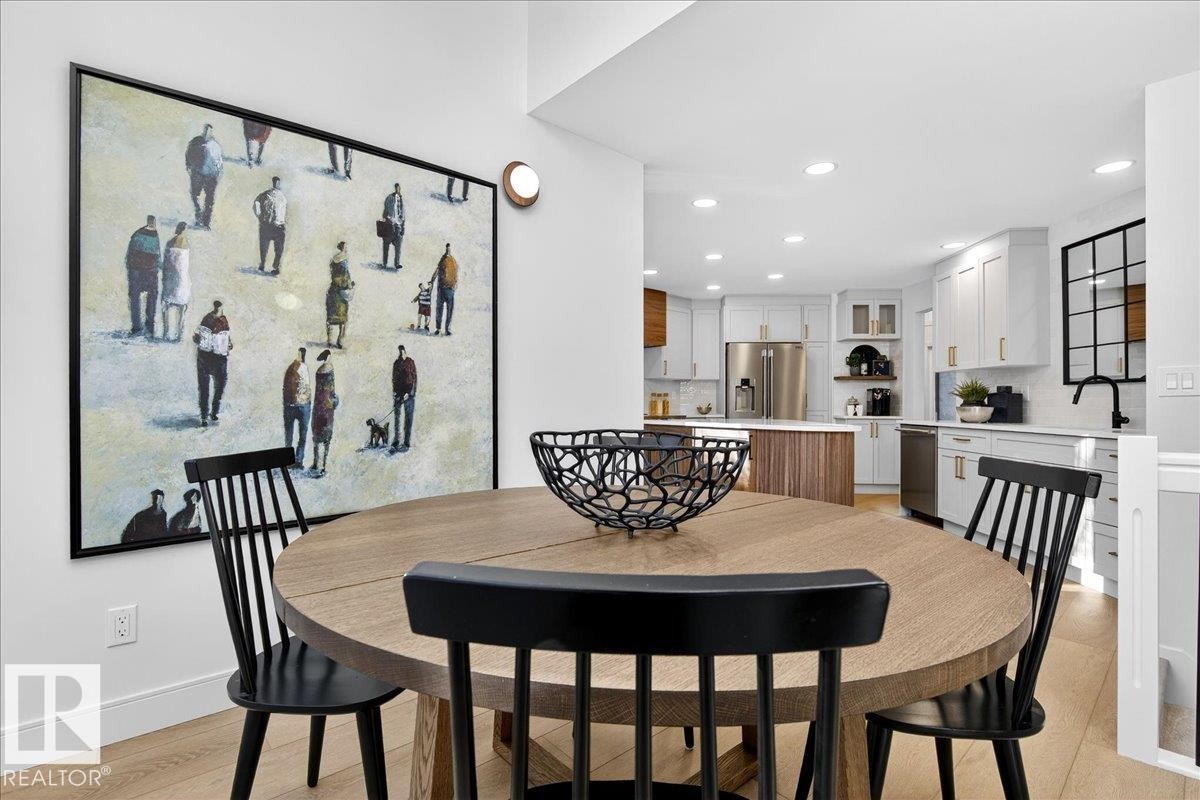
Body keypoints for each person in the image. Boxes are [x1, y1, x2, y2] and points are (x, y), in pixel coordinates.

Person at [194, 300, 232, 427]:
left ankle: (214, 411)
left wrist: (229, 345)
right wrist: (198, 339)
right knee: (204, 388)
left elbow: (227, 337)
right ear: (214, 308)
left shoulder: (224, 320)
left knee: (220, 386)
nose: (218, 311)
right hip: (205, 357)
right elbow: (198, 335)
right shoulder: (206, 319)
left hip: (220, 358)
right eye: (217, 309)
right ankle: (204, 415)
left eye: (220, 309)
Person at [125, 215, 161, 338]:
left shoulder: (136, 234)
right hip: (150, 272)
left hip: (135, 271)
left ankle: (136, 327)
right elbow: (157, 257)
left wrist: (130, 268)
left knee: (135, 298)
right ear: (153, 223)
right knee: (152, 297)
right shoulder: (155, 236)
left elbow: (129, 256)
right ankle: (150, 327)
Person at [184, 123, 223, 228]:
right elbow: (188, 154)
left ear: (211, 133)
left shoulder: (216, 146)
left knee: (209, 199)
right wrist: (188, 165)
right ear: (203, 131)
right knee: (194, 194)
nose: (206, 133)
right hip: (198, 173)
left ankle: (206, 222)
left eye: (208, 131)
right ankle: (198, 212)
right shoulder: (195, 142)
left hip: (211, 175)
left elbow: (219, 161)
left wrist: (218, 173)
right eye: (205, 130)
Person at [160, 222, 191, 341]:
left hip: (170, 279)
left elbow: (166, 263)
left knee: (166, 306)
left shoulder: (169, 243)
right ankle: (180, 334)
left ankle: (166, 333)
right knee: (182, 308)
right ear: (184, 230)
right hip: (182, 281)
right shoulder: (186, 243)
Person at [282, 347, 312, 469]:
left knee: (289, 434)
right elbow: (307, 387)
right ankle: (298, 461)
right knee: (302, 435)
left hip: (289, 405)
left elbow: (285, 388)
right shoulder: (304, 368)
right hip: (303, 405)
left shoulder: (290, 368)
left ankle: (287, 460)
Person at [309, 350, 338, 475]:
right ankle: (323, 466)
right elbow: (330, 392)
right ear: (329, 357)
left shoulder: (319, 370)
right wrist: (336, 401)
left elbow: (321, 391)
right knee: (326, 438)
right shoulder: (330, 369)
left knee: (316, 437)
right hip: (327, 409)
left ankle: (316, 463)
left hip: (317, 408)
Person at [253, 176, 287, 273]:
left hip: (275, 225)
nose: (277, 184)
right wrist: (260, 216)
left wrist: (260, 216)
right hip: (271, 225)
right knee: (267, 247)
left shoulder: (280, 196)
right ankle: (265, 264)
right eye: (276, 183)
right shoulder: (267, 194)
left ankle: (273, 267)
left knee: (276, 248)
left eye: (278, 183)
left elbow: (256, 203)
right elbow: (256, 203)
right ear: (274, 183)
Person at [325, 242, 355, 348]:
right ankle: (339, 341)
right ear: (343, 248)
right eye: (346, 247)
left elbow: (334, 276)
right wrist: (350, 285)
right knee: (342, 320)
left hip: (332, 292)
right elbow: (345, 278)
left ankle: (329, 340)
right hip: (340, 295)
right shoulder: (344, 261)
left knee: (330, 318)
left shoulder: (333, 260)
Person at [391, 344, 417, 452]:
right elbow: (394, 378)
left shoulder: (410, 362)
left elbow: (414, 378)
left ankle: (406, 442)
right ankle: (396, 440)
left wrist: (410, 393)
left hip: (409, 395)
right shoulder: (396, 363)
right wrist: (394, 392)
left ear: (405, 352)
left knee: (408, 418)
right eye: (399, 352)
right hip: (398, 394)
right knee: (397, 417)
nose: (401, 354)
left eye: (403, 352)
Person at [432, 242, 458, 336]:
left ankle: (447, 329)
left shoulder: (453, 261)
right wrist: (432, 280)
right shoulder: (442, 260)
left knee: (449, 310)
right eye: (447, 248)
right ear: (445, 249)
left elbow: (456, 273)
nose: (448, 250)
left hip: (450, 289)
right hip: (442, 288)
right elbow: (437, 270)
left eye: (449, 249)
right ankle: (438, 328)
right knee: (439, 309)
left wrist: (455, 285)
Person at [381, 183, 405, 269]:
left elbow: (403, 215)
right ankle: (384, 263)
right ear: (395, 188)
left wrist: (403, 227)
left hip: (398, 226)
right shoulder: (389, 198)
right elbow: (385, 210)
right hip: (389, 225)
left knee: (398, 246)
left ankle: (397, 264)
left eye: (399, 188)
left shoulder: (401, 200)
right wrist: (385, 220)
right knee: (386, 245)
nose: (398, 190)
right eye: (396, 188)